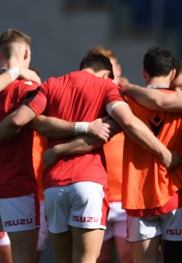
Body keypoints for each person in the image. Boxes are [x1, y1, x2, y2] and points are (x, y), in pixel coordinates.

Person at [0, 53, 178, 262]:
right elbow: (128, 124)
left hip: (53, 185)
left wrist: (58, 149)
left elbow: (25, 120)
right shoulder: (106, 87)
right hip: (89, 182)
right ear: (106, 74)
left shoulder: (51, 84)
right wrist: (164, 153)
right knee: (86, 260)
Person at [0, 28, 40, 263]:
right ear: (26, 53)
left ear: (0, 55)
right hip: (17, 186)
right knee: (23, 258)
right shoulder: (27, 87)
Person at [121, 47, 182, 263]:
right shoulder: (179, 101)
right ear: (173, 74)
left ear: (144, 73)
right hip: (175, 195)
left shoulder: (128, 100)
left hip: (139, 195)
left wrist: (126, 88)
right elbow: (161, 102)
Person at [87, 46, 132, 263]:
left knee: (128, 256)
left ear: (118, 69)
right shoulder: (88, 99)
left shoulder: (132, 97)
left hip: (126, 195)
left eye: (111, 68)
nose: (108, 75)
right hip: (98, 192)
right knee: (100, 258)